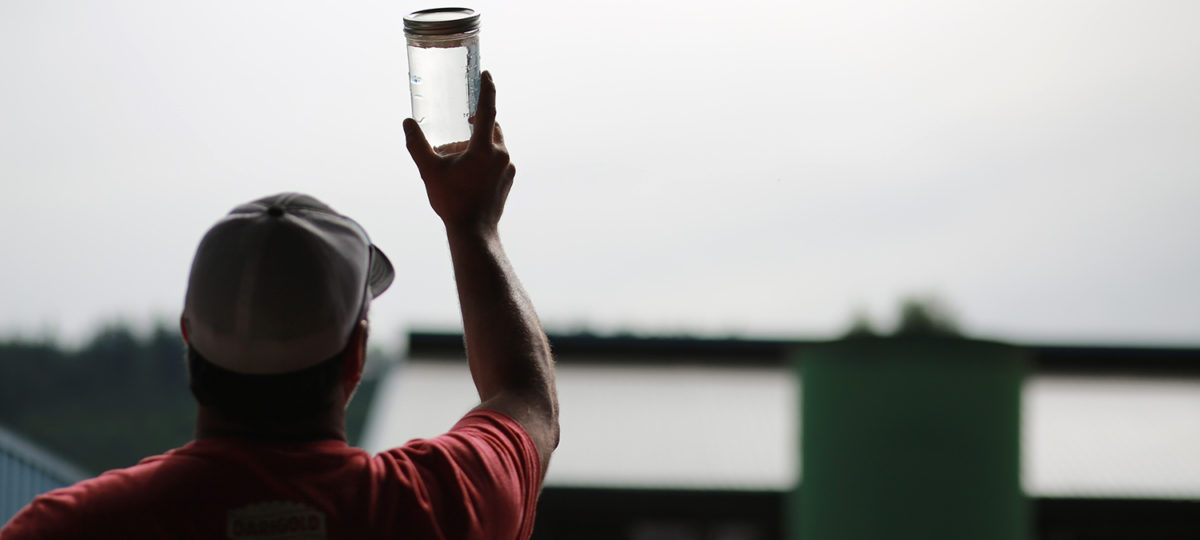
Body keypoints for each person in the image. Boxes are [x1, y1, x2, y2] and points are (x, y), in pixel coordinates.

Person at [1, 71, 559, 539]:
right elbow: (527, 401)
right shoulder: (431, 507)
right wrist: (471, 226)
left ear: (189, 338)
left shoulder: (69, 528)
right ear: (355, 354)